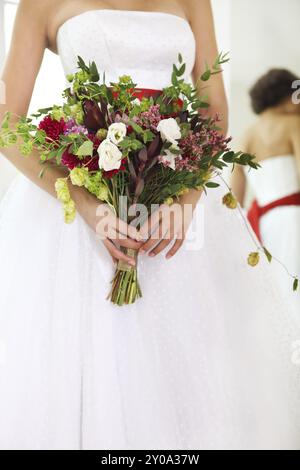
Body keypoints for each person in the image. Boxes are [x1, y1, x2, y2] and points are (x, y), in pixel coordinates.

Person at [0, 0, 299, 450]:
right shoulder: (38, 3)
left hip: (177, 204)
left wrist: (187, 197)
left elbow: (213, 108)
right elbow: (7, 119)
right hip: (80, 207)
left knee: (187, 377)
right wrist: (82, 200)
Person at [232, 69, 300, 299]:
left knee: (279, 290)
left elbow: (234, 200)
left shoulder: (246, 136)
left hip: (264, 223)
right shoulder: (293, 124)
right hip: (294, 218)